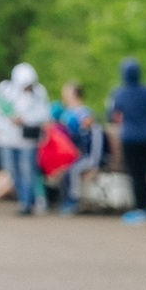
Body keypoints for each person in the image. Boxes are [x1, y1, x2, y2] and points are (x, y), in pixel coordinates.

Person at [108, 57, 146, 223]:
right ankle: (145, 207)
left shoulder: (119, 93)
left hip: (129, 138)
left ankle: (140, 208)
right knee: (143, 174)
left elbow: (114, 116)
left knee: (134, 174)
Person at [0, 63, 52, 215]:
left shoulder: (39, 93)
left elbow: (44, 114)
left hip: (27, 139)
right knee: (10, 169)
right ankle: (24, 197)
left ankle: (26, 203)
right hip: (7, 138)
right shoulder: (5, 90)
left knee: (27, 170)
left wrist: (25, 119)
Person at [51, 80, 106, 213]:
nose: (64, 96)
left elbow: (93, 138)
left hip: (85, 155)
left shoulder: (84, 113)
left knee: (72, 170)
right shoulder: (65, 112)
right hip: (72, 154)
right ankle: (57, 199)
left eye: (67, 92)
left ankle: (72, 201)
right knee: (60, 168)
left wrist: (95, 163)